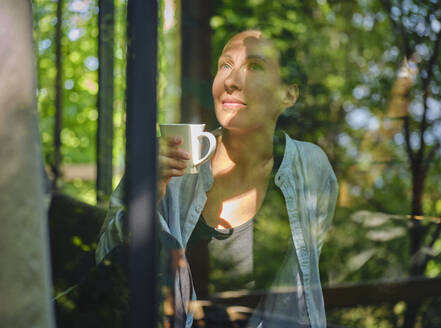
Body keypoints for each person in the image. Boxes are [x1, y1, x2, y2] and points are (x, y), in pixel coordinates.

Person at [96, 30, 338, 328]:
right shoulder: (169, 162)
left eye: (254, 67)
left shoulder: (310, 167)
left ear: (288, 94)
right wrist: (147, 195)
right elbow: (108, 267)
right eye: (225, 65)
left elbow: (313, 278)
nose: (230, 81)